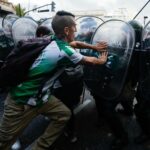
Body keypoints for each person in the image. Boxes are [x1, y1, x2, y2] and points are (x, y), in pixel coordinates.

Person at [0, 10, 108, 150]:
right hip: (21, 102)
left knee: (64, 114)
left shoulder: (52, 39)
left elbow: (75, 43)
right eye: (75, 27)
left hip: (40, 98)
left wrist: (93, 46)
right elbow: (91, 61)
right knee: (4, 143)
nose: (76, 30)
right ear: (67, 30)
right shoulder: (63, 52)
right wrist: (102, 60)